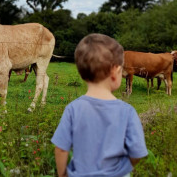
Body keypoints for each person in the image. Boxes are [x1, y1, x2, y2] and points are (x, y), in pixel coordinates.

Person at [51, 33, 148, 177]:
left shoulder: (73, 109)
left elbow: (61, 149)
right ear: (115, 72)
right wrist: (123, 169)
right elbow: (137, 152)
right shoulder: (127, 112)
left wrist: (63, 175)